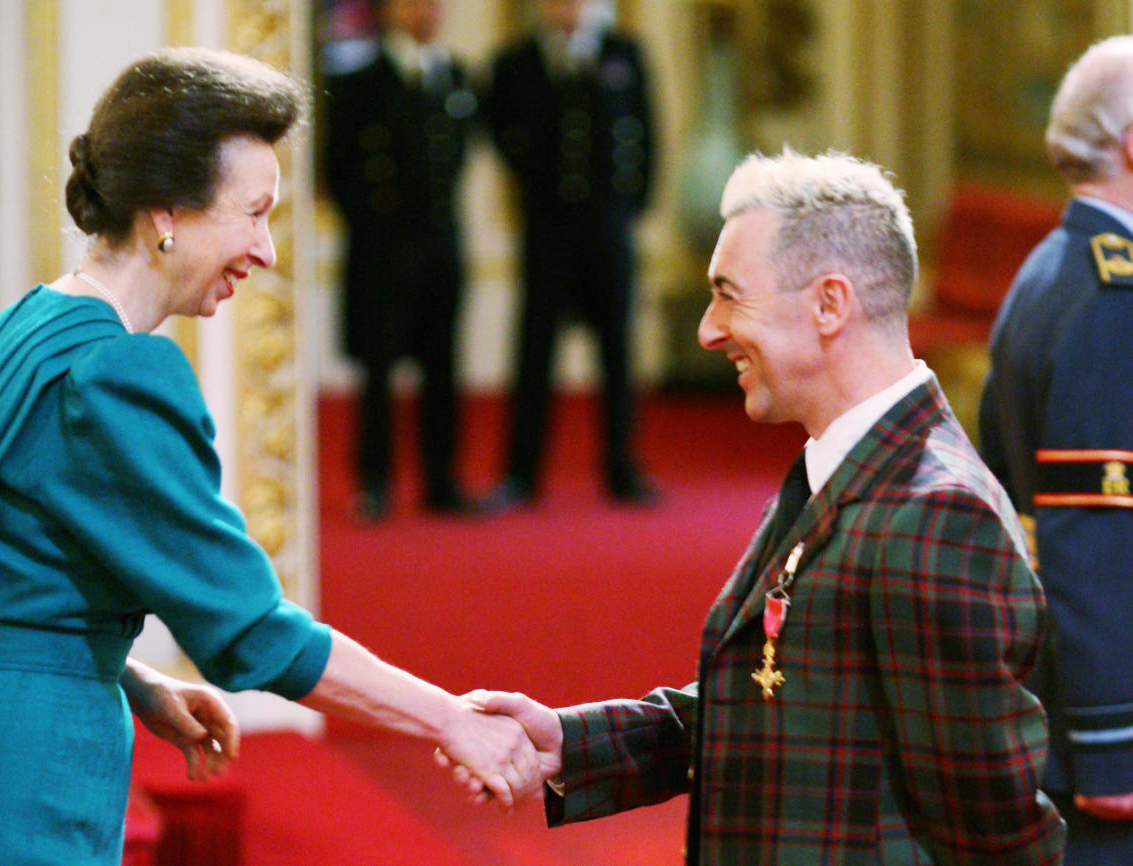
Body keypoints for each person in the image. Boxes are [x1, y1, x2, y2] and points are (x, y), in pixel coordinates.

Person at [0, 47, 541, 865]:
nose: (267, 251)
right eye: (255, 212)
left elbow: (0, 588)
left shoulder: (22, 330)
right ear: (167, 211)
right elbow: (252, 631)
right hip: (22, 771)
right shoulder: (119, 373)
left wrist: (136, 681)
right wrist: (451, 720)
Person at [451, 149, 1067, 863]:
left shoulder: (935, 518)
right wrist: (575, 744)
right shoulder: (852, 467)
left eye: (729, 295)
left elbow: (995, 836)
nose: (709, 329)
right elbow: (784, 702)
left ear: (830, 304)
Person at [979, 34, 1133, 865]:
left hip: (1055, 687)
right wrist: (1116, 745)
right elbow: (1097, 537)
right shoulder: (1115, 300)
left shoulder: (1050, 268)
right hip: (1103, 728)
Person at [481, 0, 658, 511]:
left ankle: (621, 467)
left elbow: (647, 132)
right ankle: (521, 473)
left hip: (608, 225)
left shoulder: (625, 54)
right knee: (534, 349)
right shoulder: (514, 62)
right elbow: (500, 130)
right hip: (547, 227)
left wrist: (632, 205)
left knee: (617, 350)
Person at [323, 0, 478, 523]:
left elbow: (457, 156)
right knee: (379, 366)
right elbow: (336, 167)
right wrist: (372, 222)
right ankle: (375, 482)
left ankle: (441, 477)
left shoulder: (454, 75)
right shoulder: (360, 79)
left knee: (443, 364)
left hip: (440, 241)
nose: (429, 11)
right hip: (382, 243)